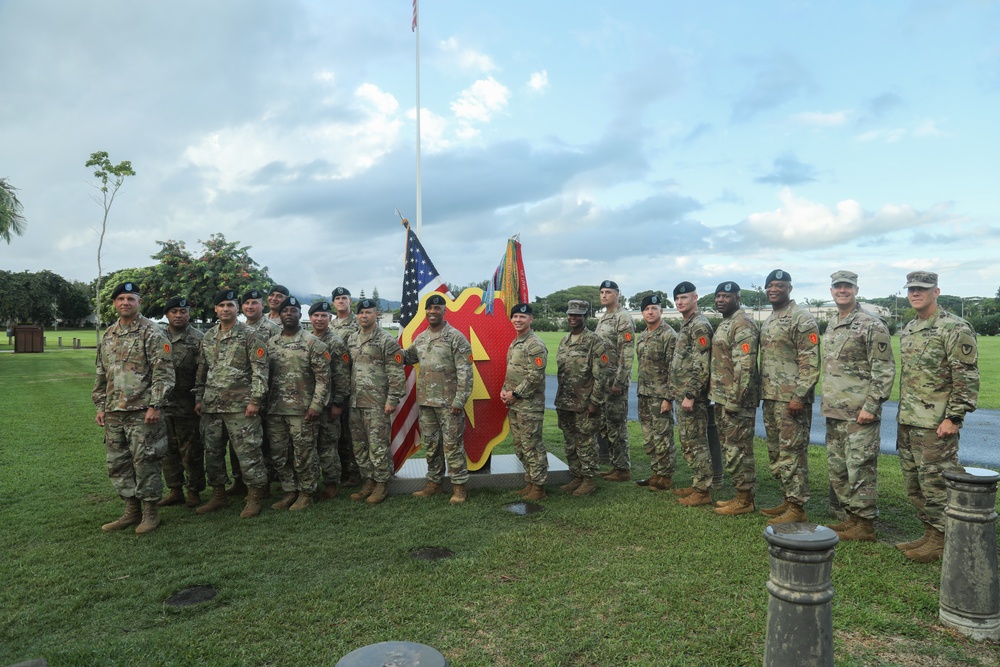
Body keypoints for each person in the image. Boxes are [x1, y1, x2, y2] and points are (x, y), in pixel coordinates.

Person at [895, 271, 979, 563]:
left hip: (936, 424)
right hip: (909, 419)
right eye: (911, 289)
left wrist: (954, 418)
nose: (915, 293)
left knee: (936, 484)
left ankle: (943, 540)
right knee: (915, 483)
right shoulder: (910, 328)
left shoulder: (954, 327)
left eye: (922, 289)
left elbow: (966, 376)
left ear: (936, 291)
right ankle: (931, 533)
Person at [93, 281, 175, 534]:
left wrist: (155, 405)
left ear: (139, 303)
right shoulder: (108, 334)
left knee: (146, 460)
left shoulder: (152, 332)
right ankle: (131, 510)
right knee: (118, 462)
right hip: (115, 412)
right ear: (114, 304)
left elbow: (164, 373)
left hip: (143, 412)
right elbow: (101, 373)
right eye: (121, 299)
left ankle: (150, 512)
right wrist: (100, 405)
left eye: (131, 298)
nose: (125, 303)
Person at [821, 271, 896, 541]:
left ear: (856, 290)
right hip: (835, 411)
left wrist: (872, 405)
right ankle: (852, 517)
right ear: (831, 291)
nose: (842, 290)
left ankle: (865, 525)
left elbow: (884, 369)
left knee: (861, 467)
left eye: (847, 287)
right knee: (839, 468)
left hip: (860, 412)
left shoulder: (871, 324)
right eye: (838, 287)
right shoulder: (832, 323)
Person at [193, 289, 271, 519]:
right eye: (221, 305)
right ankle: (218, 495)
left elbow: (260, 370)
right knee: (213, 453)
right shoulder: (208, 336)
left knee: (248, 452)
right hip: (212, 406)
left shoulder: (250, 334)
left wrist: (255, 400)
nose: (226, 309)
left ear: (237, 308)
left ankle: (254, 496)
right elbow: (202, 370)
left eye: (230, 304)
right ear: (215, 309)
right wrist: (199, 397)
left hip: (241, 406)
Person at [759, 269, 820, 525]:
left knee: (792, 453)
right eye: (771, 285)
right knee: (777, 451)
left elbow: (810, 361)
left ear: (790, 288)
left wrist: (799, 395)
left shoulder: (802, 318)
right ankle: (787, 498)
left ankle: (797, 508)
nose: (774, 289)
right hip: (771, 397)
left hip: (791, 401)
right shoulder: (771, 318)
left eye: (780, 285)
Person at [402, 294, 474, 504]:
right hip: (426, 404)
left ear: (444, 311)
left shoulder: (455, 337)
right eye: (429, 309)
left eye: (437, 308)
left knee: (452, 446)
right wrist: (386, 347)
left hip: (449, 405)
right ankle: (434, 482)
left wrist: (459, 401)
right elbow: (407, 357)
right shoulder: (422, 338)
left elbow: (466, 373)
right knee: (432, 446)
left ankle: (459, 486)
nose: (432, 312)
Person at [266, 296, 331, 511]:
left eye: (293, 310)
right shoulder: (271, 344)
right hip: (276, 410)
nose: (289, 314)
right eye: (285, 311)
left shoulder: (313, 343)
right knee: (279, 454)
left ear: (299, 315)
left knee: (304, 454)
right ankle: (289, 491)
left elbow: (323, 379)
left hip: (303, 411)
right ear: (280, 315)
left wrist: (316, 406)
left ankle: (306, 493)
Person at [345, 298, 406, 505]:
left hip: (377, 402)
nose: (364, 316)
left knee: (378, 445)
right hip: (355, 402)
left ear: (376, 315)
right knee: (359, 445)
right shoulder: (352, 339)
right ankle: (369, 480)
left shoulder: (385, 341)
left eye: (368, 312)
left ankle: (381, 484)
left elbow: (396, 373)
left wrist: (392, 400)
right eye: (361, 313)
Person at [709, 282, 761, 516]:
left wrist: (734, 400)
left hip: (736, 401)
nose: (721, 299)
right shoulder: (727, 322)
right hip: (723, 397)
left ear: (738, 298)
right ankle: (740, 495)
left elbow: (745, 366)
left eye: (726, 296)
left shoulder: (742, 324)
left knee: (739, 449)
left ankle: (745, 500)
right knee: (731, 448)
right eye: (718, 295)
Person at [157, 296, 206, 509]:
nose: (178, 315)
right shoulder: (156, 336)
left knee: (191, 450)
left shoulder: (199, 339)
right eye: (174, 311)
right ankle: (175, 489)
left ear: (189, 314)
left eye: (183, 311)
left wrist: (199, 399)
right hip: (162, 403)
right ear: (167, 314)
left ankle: (193, 491)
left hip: (188, 403)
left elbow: (203, 372)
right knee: (167, 450)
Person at [555, 300, 608, 497]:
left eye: (577, 315)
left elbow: (601, 375)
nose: (573, 317)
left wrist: (595, 401)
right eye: (570, 314)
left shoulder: (594, 341)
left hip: (585, 402)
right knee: (570, 441)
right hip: (565, 401)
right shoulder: (564, 341)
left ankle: (589, 479)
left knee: (586, 441)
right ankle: (576, 475)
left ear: (585, 316)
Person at [670, 282, 715, 507]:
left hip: (692, 397)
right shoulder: (687, 324)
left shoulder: (699, 326)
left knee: (696, 443)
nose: (680, 302)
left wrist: (691, 394)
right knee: (688, 441)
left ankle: (703, 490)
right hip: (682, 394)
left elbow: (702, 365)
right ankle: (698, 483)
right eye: (677, 298)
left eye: (684, 298)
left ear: (695, 298)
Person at [501, 303, 549, 500]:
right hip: (516, 403)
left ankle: (539, 488)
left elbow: (535, 375)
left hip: (529, 404)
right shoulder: (516, 342)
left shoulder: (534, 344)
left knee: (532, 445)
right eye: (515, 317)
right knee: (520, 446)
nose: (518, 320)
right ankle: (530, 482)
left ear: (531, 319)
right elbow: (513, 371)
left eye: (523, 317)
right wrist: (505, 391)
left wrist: (516, 394)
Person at [308, 300, 351, 500]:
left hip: (330, 404)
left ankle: (332, 483)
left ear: (330, 318)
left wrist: (338, 403)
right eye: (316, 316)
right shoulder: (306, 340)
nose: (319, 319)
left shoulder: (335, 343)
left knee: (328, 445)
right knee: (311, 445)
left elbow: (342, 376)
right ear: (310, 319)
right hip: (311, 402)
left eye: (323, 316)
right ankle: (312, 481)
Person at [634, 294, 677, 491]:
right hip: (644, 394)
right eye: (646, 309)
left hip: (661, 396)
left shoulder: (669, 335)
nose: (650, 312)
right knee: (648, 437)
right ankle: (655, 473)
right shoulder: (642, 336)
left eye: (654, 308)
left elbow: (673, 369)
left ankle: (665, 476)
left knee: (663, 437)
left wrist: (668, 398)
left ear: (661, 310)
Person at [594, 279, 635, 482]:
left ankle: (623, 469)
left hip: (615, 383)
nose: (604, 295)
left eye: (608, 292)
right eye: (602, 292)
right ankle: (616, 465)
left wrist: (619, 381)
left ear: (617, 295)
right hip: (603, 382)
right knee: (607, 425)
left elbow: (626, 353)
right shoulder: (604, 317)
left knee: (617, 426)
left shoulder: (622, 317)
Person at [331, 285, 361, 487]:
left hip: (354, 384)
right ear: (333, 303)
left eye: (344, 298)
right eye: (338, 298)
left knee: (353, 432)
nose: (341, 301)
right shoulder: (329, 324)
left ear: (350, 301)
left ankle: (355, 472)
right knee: (336, 431)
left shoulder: (358, 324)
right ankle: (340, 470)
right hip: (332, 385)